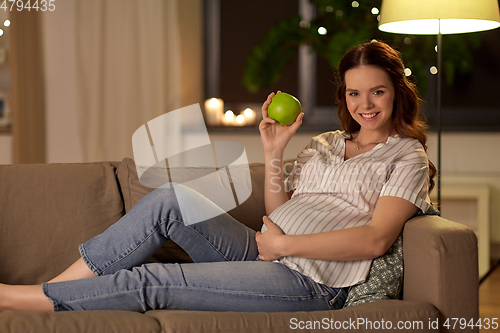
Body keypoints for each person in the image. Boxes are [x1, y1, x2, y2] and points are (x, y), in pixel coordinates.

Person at [0, 41, 435, 313]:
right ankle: (56, 288)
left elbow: (376, 239)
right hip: (266, 251)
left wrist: (284, 245)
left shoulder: (406, 157)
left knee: (155, 281)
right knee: (171, 199)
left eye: (377, 91)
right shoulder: (324, 143)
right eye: (355, 92)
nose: (366, 104)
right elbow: (278, 213)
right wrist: (273, 151)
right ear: (344, 96)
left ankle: (23, 299)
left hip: (312, 279)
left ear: (397, 91)